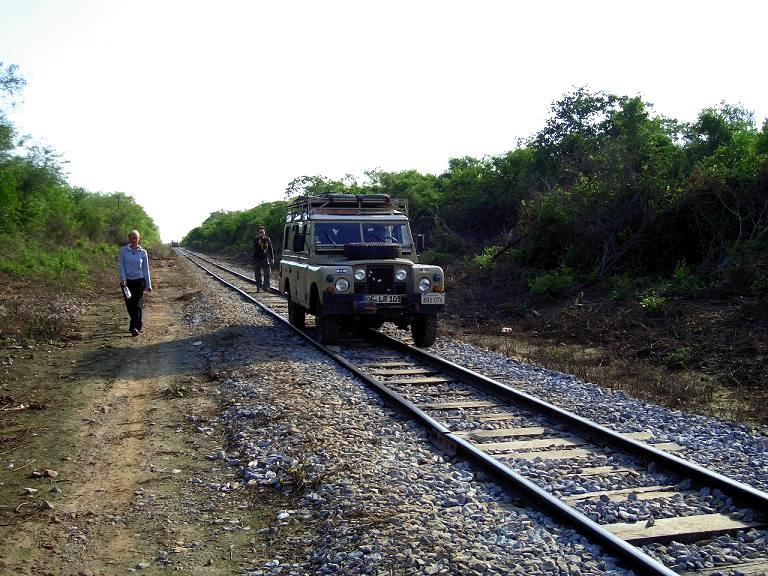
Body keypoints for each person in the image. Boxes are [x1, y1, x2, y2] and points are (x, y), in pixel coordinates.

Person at [118, 230, 152, 336]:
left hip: (139, 281)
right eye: (131, 238)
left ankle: (134, 327)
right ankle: (138, 324)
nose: (133, 240)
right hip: (127, 282)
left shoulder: (143, 252)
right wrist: (123, 279)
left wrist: (148, 284)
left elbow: (146, 269)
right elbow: (121, 266)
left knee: (137, 304)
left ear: (139, 239)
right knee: (129, 304)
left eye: (135, 238)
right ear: (129, 239)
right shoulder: (123, 250)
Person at [253, 225, 274, 292]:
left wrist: (272, 258)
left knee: (267, 272)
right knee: (257, 273)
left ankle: (266, 287)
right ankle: (258, 287)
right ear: (258, 233)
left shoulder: (267, 239)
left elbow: (270, 249)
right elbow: (255, 249)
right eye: (260, 232)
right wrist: (259, 242)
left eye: (262, 232)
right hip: (257, 259)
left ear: (264, 232)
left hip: (265, 259)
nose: (261, 233)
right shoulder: (256, 239)